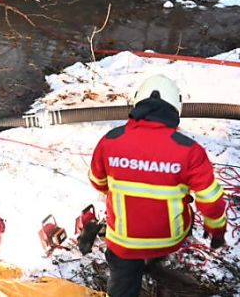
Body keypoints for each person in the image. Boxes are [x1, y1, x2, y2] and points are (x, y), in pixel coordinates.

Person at [88, 75, 227, 297]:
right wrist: (217, 232)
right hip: (169, 240)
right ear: (175, 108)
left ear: (137, 103)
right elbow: (211, 200)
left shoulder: (110, 141)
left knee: (122, 283)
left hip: (124, 243)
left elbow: (97, 182)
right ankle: (154, 262)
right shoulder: (189, 150)